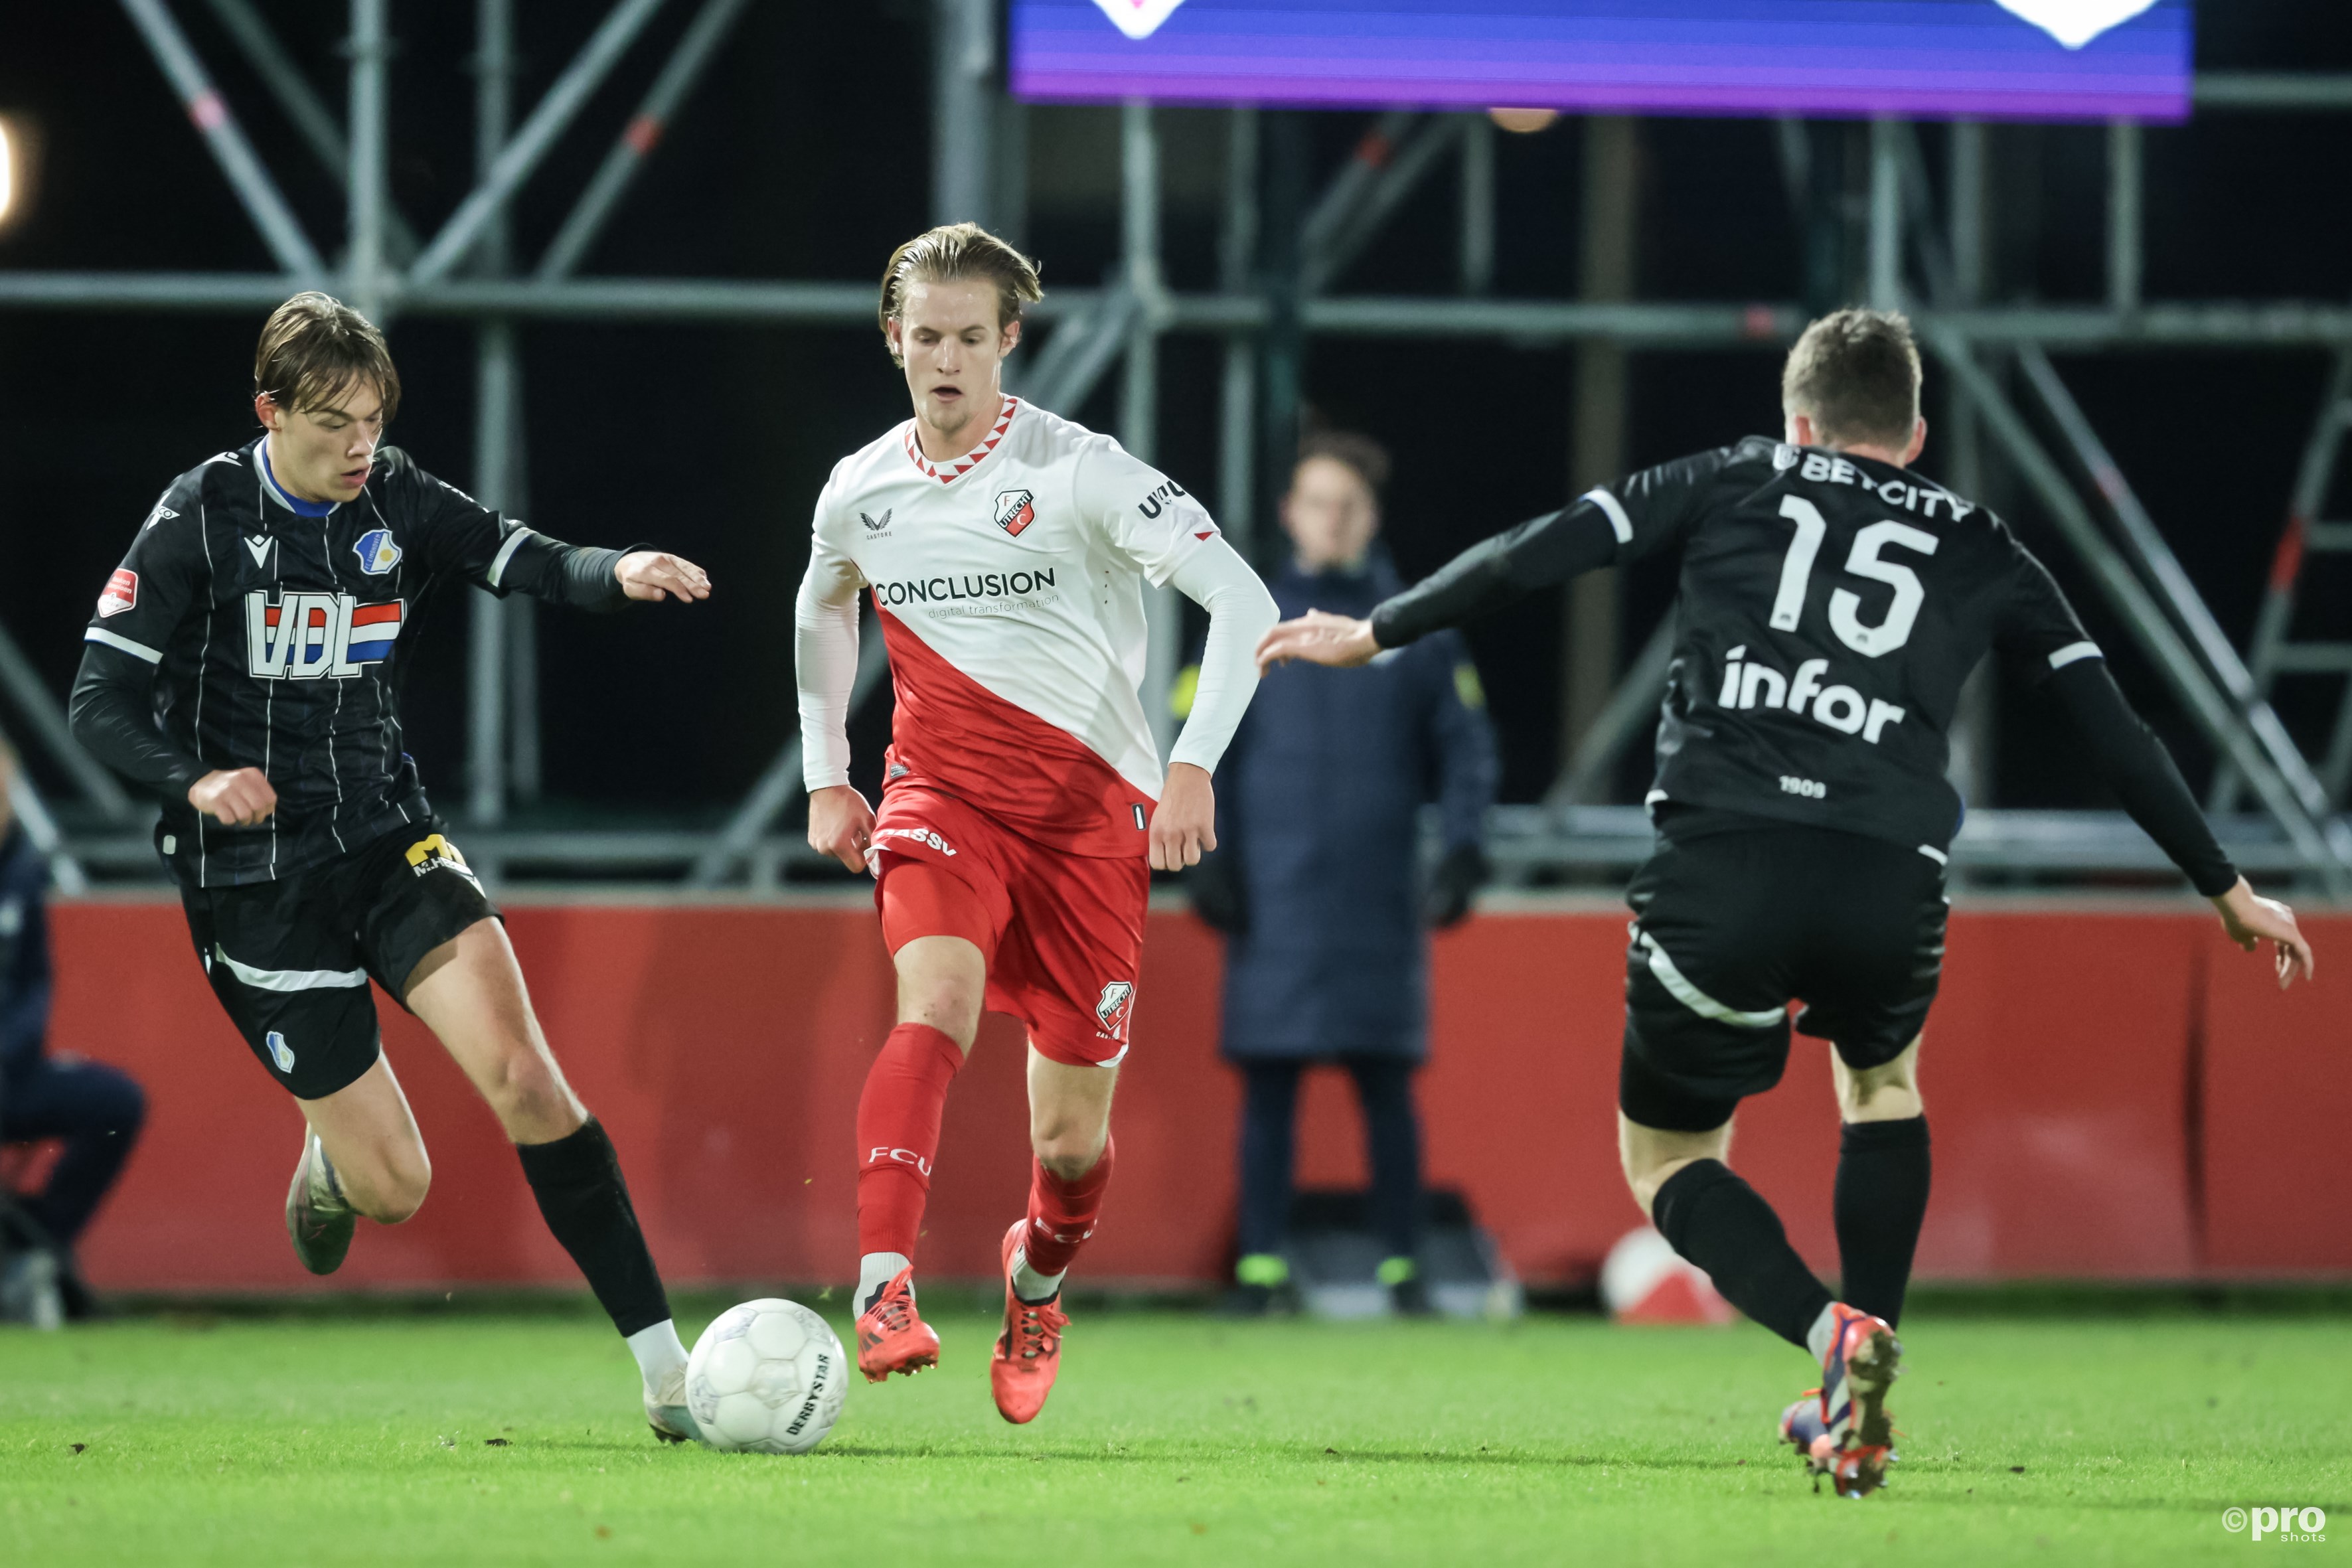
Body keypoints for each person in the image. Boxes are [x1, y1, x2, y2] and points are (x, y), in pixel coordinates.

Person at [1256, 309, 2314, 1498]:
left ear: (1795, 419)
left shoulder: (1727, 476)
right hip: (1886, 876)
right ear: (1913, 434)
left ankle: (1832, 1341)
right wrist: (2223, 884)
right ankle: (1860, 1413)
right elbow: (2110, 727)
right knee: (1882, 1082)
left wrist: (1377, 630)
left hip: (1724, 865)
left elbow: (1539, 550)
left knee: (1662, 1156)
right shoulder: (1982, 542)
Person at [65, 293, 717, 1441]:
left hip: (387, 839)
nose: (359, 444)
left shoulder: (396, 495)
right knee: (395, 1188)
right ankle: (333, 1159)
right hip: (254, 886)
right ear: (268, 409)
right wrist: (194, 778)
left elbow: (516, 554)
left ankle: (670, 1375)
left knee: (524, 1075)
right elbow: (98, 697)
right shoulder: (202, 514)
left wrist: (616, 569)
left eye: (373, 418)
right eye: (331, 422)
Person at [797, 223, 1279, 1423]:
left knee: (1068, 1142)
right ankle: (882, 1285)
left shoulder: (1080, 471)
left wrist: (1191, 766)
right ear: (891, 338)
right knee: (936, 1002)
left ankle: (1034, 1280)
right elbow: (821, 610)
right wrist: (828, 772)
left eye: (971, 336)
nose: (946, 358)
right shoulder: (860, 492)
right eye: (925, 336)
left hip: (1086, 828)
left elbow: (1244, 598)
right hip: (941, 797)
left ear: (1009, 340)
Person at [1188, 433, 1496, 1316]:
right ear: (1289, 513)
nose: (1332, 519)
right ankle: (1258, 1272)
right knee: (1267, 1088)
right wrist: (1206, 861)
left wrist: (1464, 847)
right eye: (1317, 502)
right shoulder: (1244, 618)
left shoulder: (1410, 623)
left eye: (1348, 504)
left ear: (1371, 515)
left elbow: (1466, 747)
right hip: (1273, 894)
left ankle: (1403, 1270)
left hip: (1376, 895)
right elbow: (1195, 742)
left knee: (1386, 1087)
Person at [0, 738, 146, 1320]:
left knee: (114, 1102)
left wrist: (11, 1055)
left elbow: (36, 983)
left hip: (12, 1074)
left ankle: (32, 1239)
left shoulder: (22, 871)